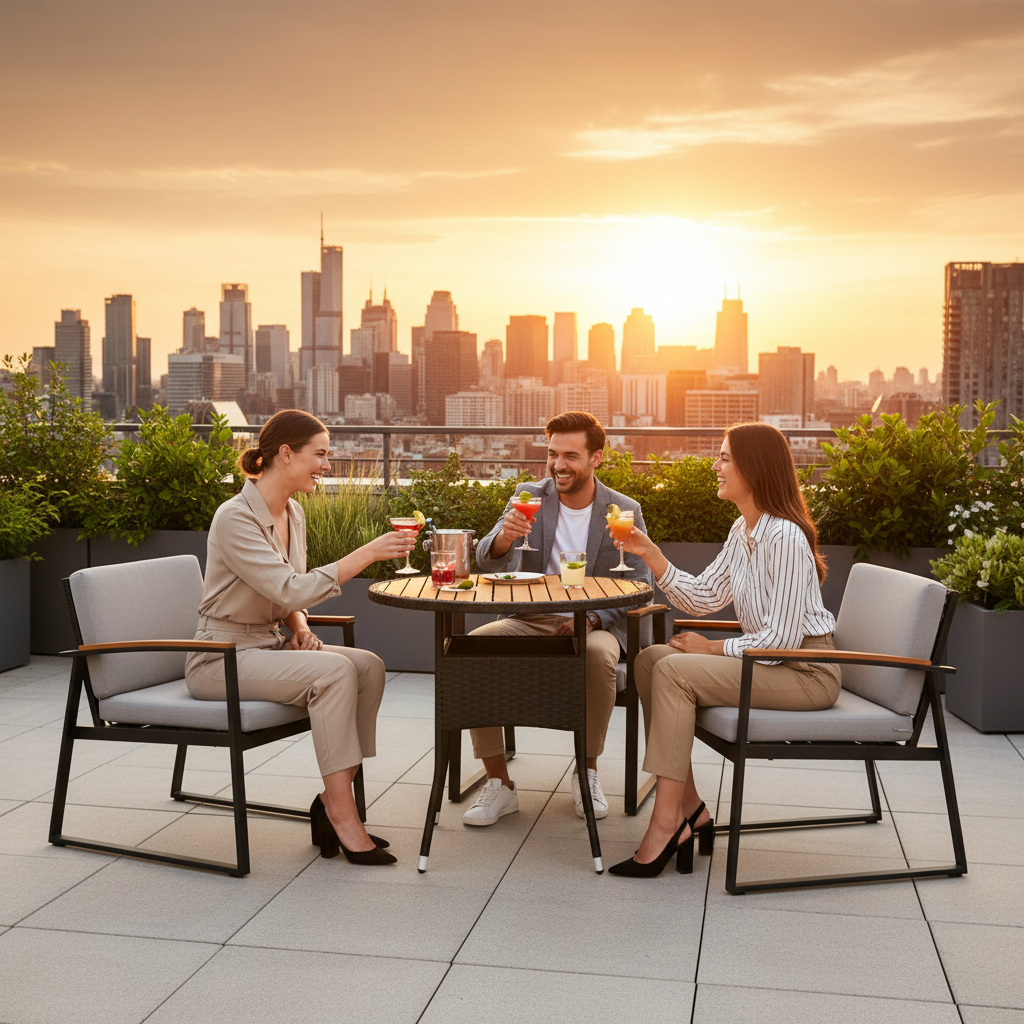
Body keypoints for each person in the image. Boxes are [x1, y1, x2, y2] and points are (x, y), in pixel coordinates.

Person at [606, 422, 840, 877]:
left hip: (805, 673)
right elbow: (705, 597)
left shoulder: (785, 537)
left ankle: (667, 822)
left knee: (673, 671)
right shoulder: (743, 530)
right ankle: (691, 808)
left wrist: (712, 650)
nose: (716, 466)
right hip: (768, 663)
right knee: (652, 660)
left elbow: (780, 641)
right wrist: (651, 552)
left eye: (725, 458)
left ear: (754, 468)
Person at [185, 409, 418, 866]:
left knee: (367, 665)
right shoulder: (234, 518)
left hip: (269, 646)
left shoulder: (293, 511)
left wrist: (302, 628)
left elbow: (285, 592)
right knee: (334, 673)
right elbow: (290, 587)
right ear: (285, 454)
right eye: (321, 454)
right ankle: (342, 815)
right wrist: (367, 554)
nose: (327, 465)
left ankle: (335, 798)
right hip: (221, 658)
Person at [463, 411, 653, 826]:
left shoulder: (623, 508)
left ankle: (587, 772)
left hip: (593, 622)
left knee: (599, 658)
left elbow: (642, 580)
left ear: (596, 458)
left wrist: (594, 619)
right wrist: (504, 539)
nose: (559, 465)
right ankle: (499, 784)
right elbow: (485, 561)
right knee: (475, 647)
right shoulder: (529, 494)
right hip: (530, 616)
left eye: (570, 455)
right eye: (553, 454)